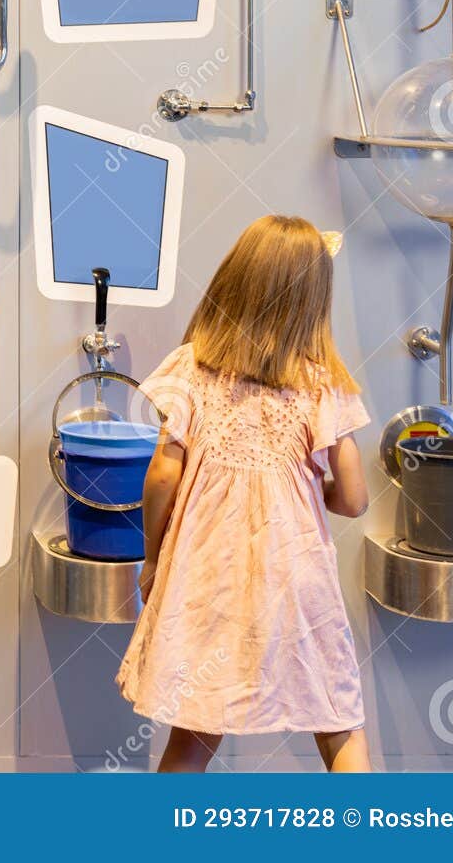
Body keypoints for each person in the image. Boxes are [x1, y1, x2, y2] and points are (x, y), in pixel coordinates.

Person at [116, 215, 372, 772]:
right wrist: (309, 488)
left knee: (195, 729)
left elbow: (163, 475)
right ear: (313, 300)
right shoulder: (322, 380)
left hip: (209, 574)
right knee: (338, 721)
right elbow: (353, 499)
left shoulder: (191, 368)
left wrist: (154, 557)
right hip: (296, 576)